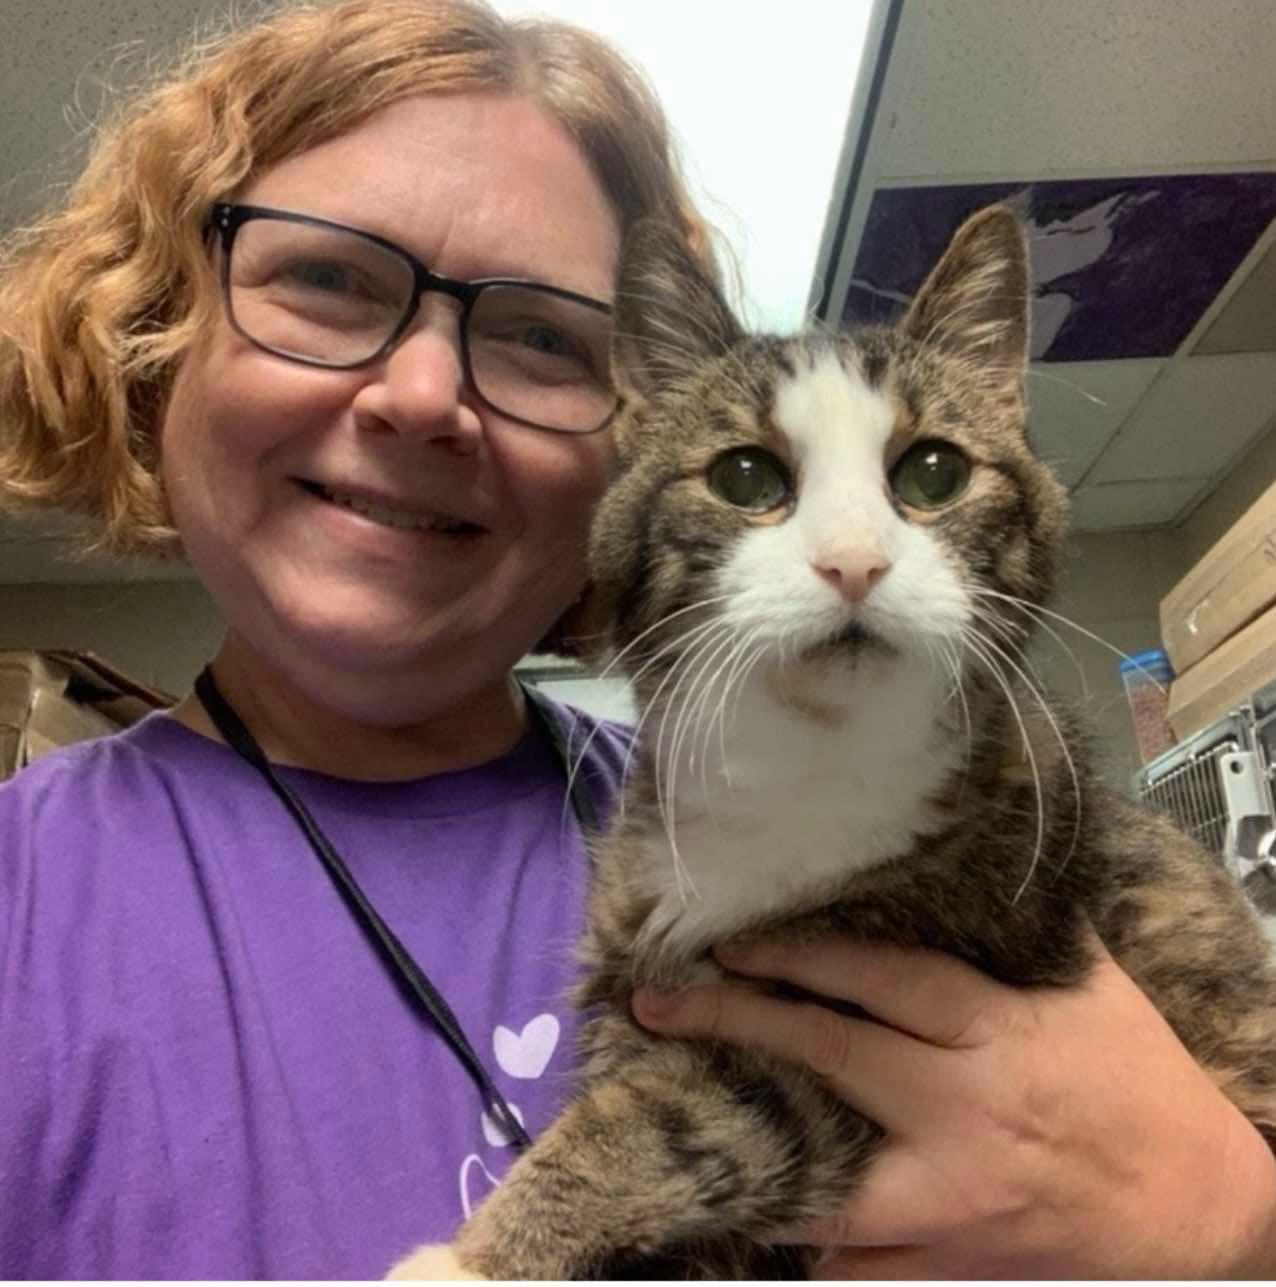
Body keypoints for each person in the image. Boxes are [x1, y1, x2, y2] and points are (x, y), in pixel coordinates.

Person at [0, 0, 1273, 1278]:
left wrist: (1232, 1220)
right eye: (329, 280)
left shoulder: (879, 809)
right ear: (159, 325)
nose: (423, 398)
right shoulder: (30, 900)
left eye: (539, 336)